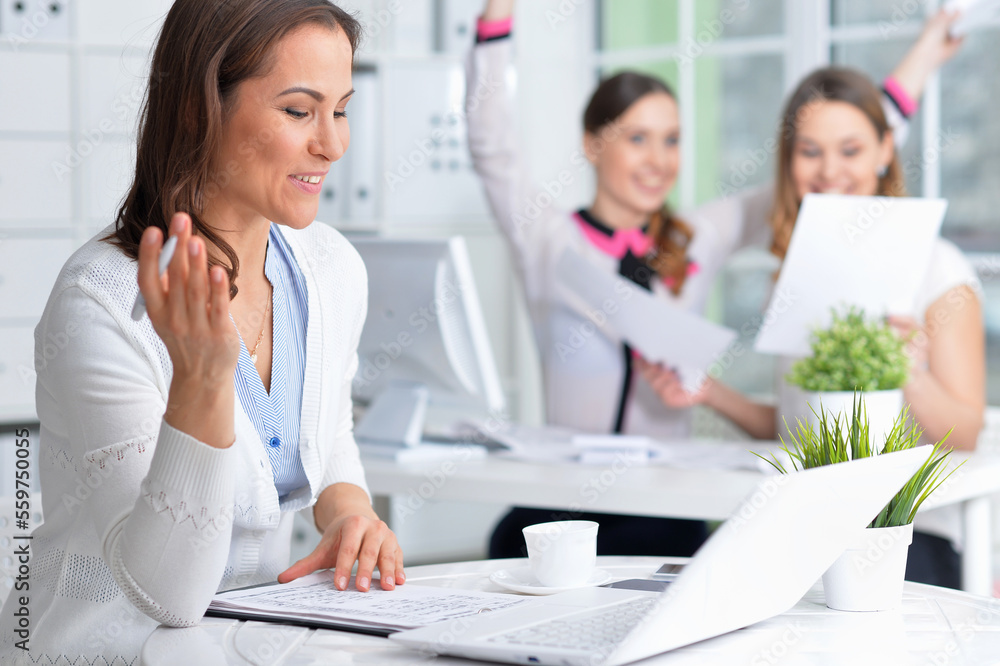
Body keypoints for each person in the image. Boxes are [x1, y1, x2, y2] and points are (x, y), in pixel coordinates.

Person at [469, 0, 968, 564]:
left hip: (666, 510)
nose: (658, 159)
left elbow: (830, 166)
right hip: (558, 504)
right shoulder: (548, 241)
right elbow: (492, 148)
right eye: (637, 138)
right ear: (592, 144)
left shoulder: (696, 237)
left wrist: (924, 56)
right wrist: (496, 20)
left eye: (672, 139)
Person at [0, 1, 404, 663]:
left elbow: (328, 430)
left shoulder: (331, 267)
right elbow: (170, 595)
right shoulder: (104, 302)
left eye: (342, 108)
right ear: (199, 109)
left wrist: (348, 511)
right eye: (299, 111)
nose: (332, 144)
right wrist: (203, 381)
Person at [645, 58, 983, 589]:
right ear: (788, 161)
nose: (829, 170)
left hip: (907, 532)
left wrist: (908, 371)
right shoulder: (794, 275)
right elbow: (799, 428)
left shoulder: (939, 269)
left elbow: (964, 435)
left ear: (884, 150)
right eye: (809, 151)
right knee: (696, 587)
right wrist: (709, 393)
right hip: (805, 521)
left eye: (850, 150)